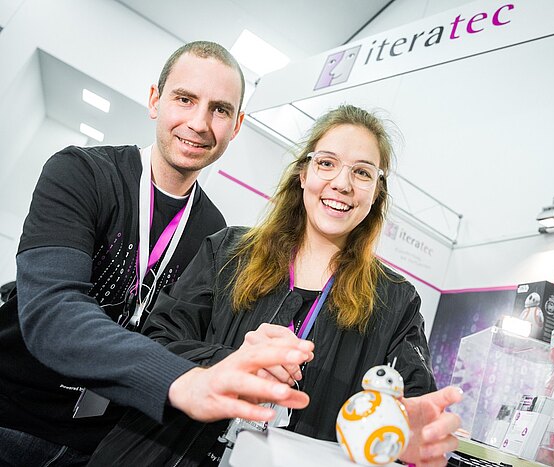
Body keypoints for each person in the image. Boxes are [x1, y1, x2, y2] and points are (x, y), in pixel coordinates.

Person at [90, 105, 461, 467]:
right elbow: (157, 342)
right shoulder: (228, 251)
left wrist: (410, 432)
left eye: (363, 172)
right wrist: (229, 361)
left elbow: (413, 401)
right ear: (303, 174)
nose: (342, 184)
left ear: (377, 192)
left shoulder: (396, 301)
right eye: (327, 163)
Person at [0, 41, 313, 466]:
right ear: (155, 100)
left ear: (236, 125)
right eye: (185, 99)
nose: (199, 123)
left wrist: (238, 355)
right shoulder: (81, 173)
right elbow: (52, 310)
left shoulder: (214, 234)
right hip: (12, 414)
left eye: (220, 110)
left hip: (102, 444)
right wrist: (180, 381)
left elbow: (178, 339)